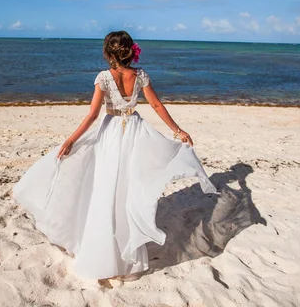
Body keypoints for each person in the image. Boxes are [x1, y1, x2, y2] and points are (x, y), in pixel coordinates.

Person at [13, 30, 217, 281]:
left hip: (111, 134)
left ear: (108, 53)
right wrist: (178, 131)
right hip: (135, 132)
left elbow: (92, 115)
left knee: (106, 189)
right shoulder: (140, 75)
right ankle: (123, 253)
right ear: (132, 51)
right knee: (127, 190)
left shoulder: (103, 78)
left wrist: (70, 140)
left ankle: (104, 252)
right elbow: (156, 105)